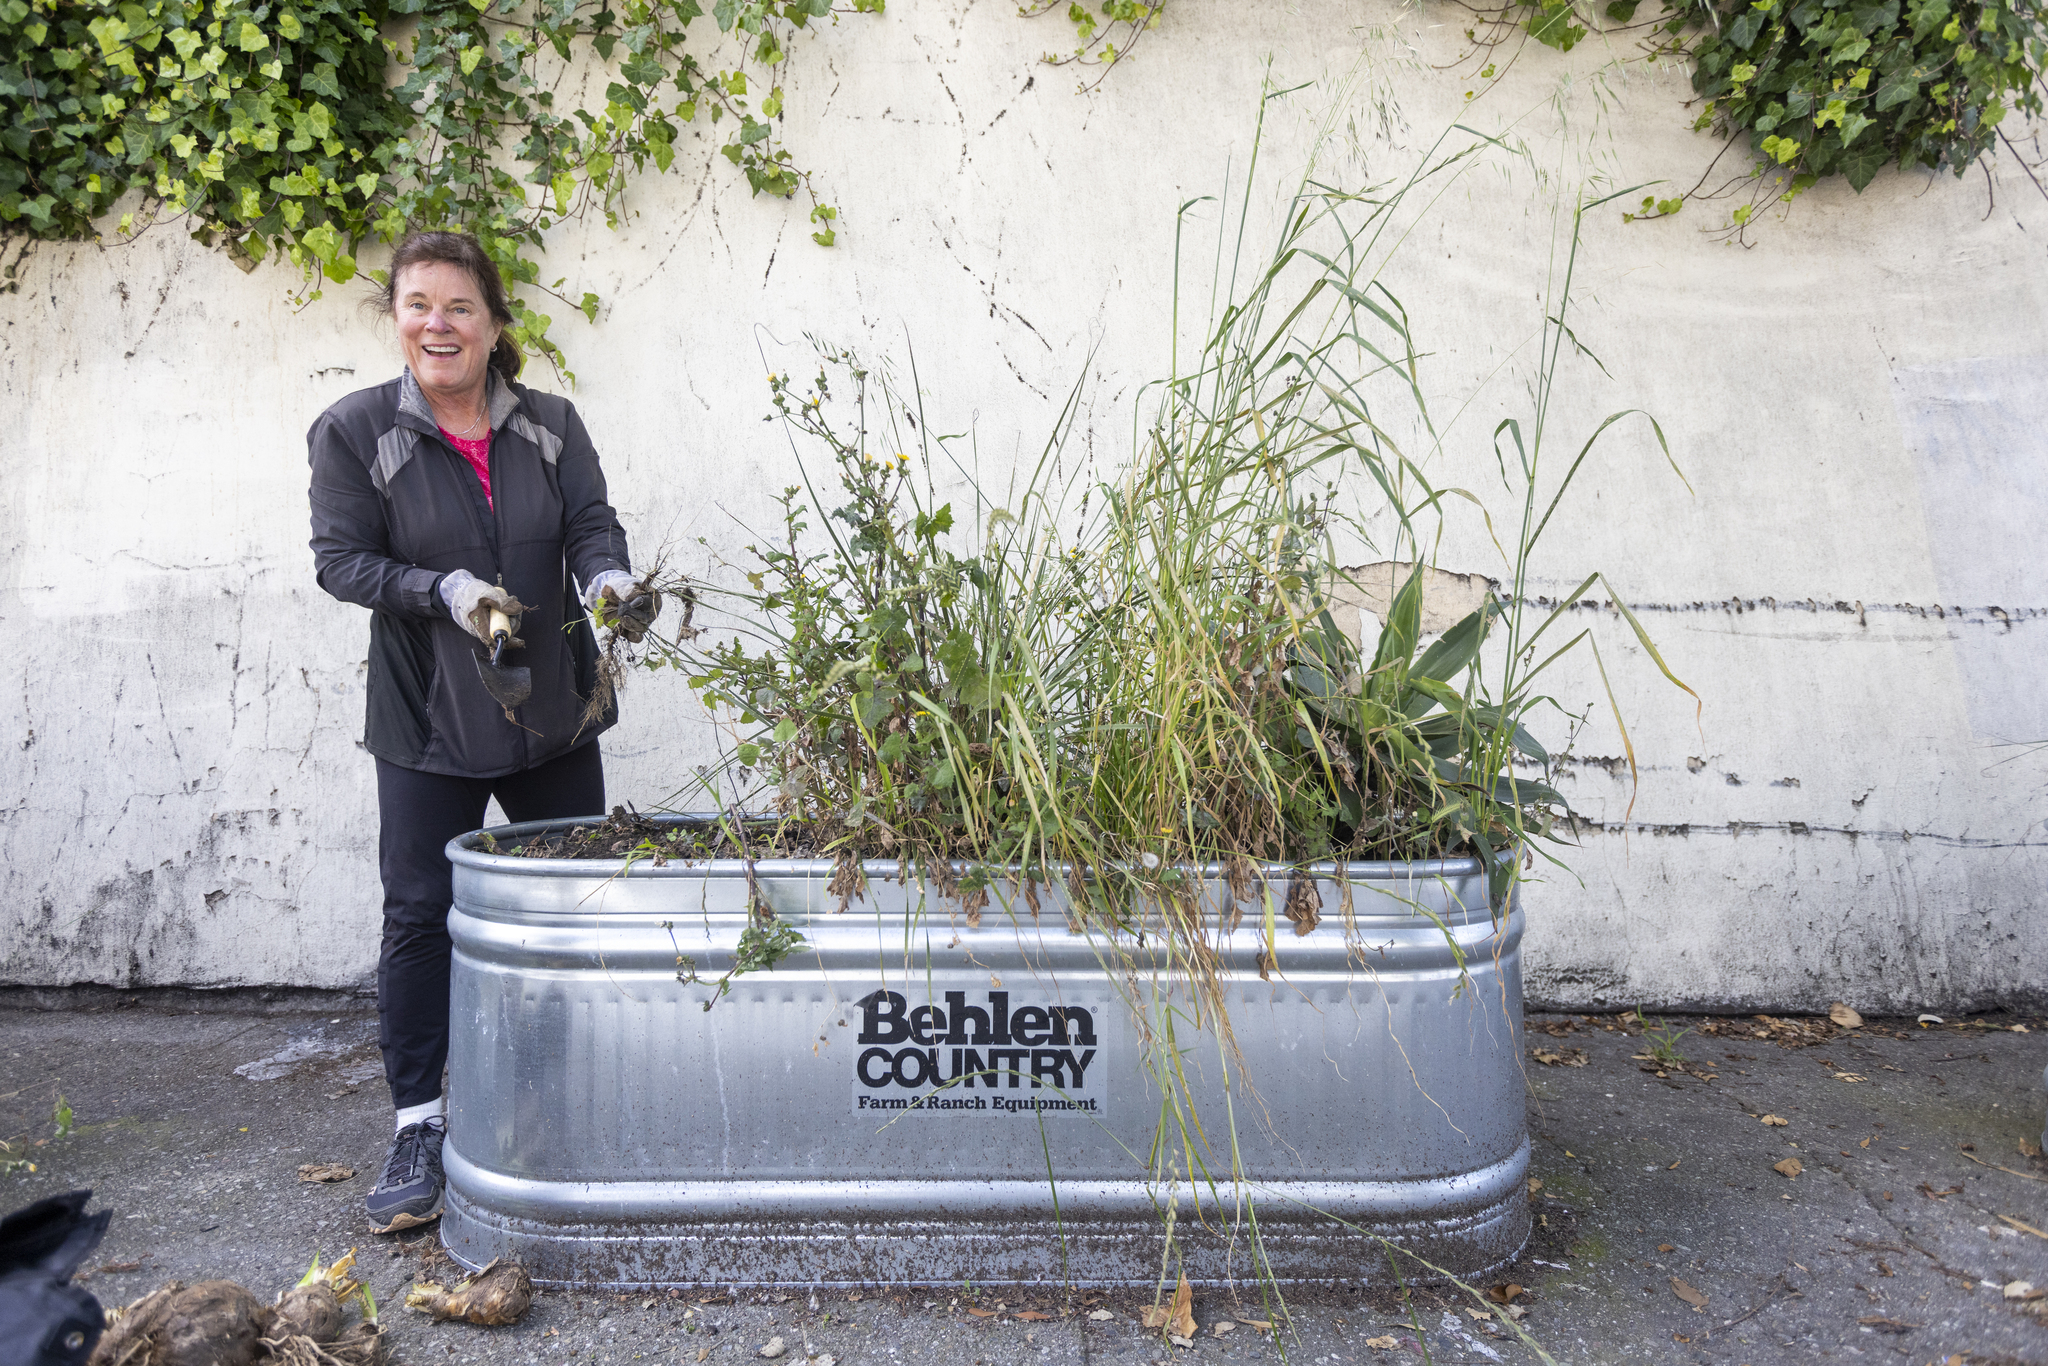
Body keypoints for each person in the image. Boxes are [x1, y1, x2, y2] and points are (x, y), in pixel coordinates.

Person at [306, 230, 659, 1233]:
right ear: (395, 318)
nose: (436, 323)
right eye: (417, 304)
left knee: (562, 915)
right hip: (427, 722)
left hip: (554, 714)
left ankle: (561, 1113)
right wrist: (443, 588)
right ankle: (420, 1124)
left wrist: (607, 580)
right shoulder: (354, 430)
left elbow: (590, 520)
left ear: (495, 323)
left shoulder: (549, 423)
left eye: (458, 306)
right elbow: (342, 563)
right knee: (419, 916)